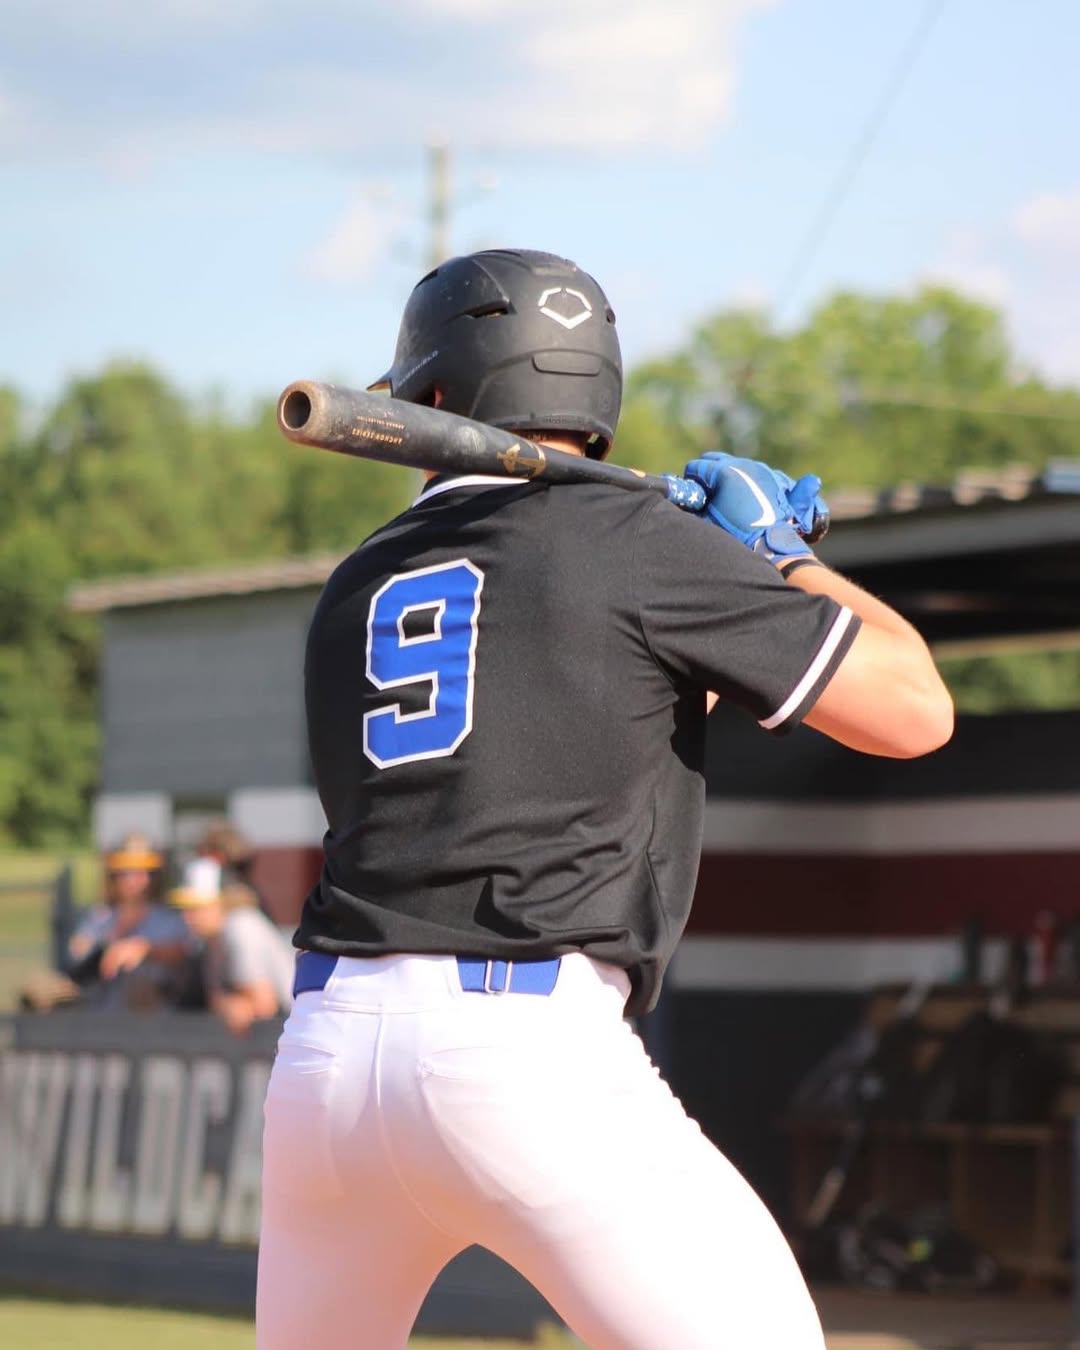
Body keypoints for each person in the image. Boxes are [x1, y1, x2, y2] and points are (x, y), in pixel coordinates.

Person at [257, 249, 953, 1350]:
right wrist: (779, 560)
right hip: (524, 1059)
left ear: (434, 396)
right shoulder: (632, 543)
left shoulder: (360, 580)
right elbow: (915, 709)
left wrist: (706, 579)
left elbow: (614, 711)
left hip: (327, 1066)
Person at [64, 832, 194, 1011]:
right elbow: (77, 958)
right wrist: (111, 941)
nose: (135, 880)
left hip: (158, 1018)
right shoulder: (100, 917)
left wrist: (144, 950)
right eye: (126, 872)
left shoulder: (170, 919)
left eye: (143, 872)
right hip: (104, 1015)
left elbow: (185, 954)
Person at [169, 856, 294, 1035]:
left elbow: (263, 1006)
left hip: (289, 1034)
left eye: (196, 908)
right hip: (274, 1038)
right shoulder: (209, 938)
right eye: (185, 908)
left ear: (222, 903)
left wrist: (229, 1004)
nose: (187, 917)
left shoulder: (242, 926)